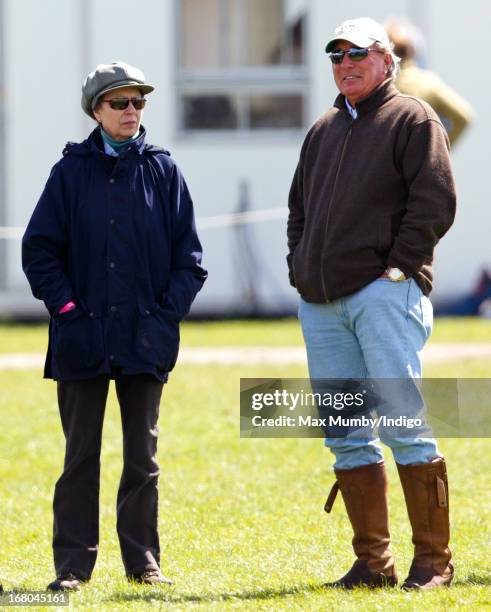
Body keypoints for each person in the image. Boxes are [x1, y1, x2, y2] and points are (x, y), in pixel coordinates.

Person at [22, 61, 207, 591]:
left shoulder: (163, 171)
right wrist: (66, 311)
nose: (132, 112)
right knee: (80, 455)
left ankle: (144, 563)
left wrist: (164, 315)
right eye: (119, 103)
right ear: (96, 111)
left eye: (138, 102)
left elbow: (189, 258)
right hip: (80, 337)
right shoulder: (69, 172)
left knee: (142, 457)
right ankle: (72, 568)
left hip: (145, 338)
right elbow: (39, 252)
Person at [287, 18, 456, 590]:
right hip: (322, 301)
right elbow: (298, 212)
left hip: (384, 293)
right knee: (345, 430)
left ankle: (433, 563)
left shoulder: (412, 117)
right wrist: (301, 266)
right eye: (335, 55)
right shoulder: (323, 129)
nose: (345, 63)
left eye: (358, 53)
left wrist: (401, 267)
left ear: (387, 59)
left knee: (405, 424)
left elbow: (435, 199)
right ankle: (373, 564)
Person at [386, 17, 473, 146]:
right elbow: (464, 117)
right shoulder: (429, 82)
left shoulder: (379, 83)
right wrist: (437, 149)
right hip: (420, 161)